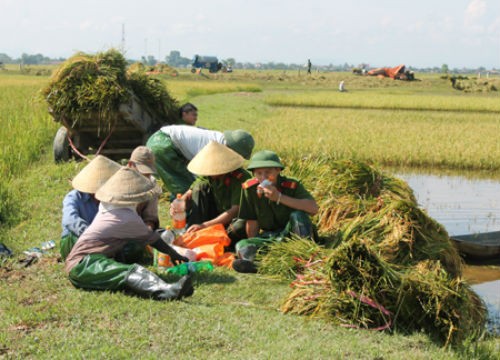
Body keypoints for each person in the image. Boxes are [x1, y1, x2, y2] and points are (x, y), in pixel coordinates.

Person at [65, 167, 193, 301]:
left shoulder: (107, 205)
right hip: (83, 265)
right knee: (129, 271)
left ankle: (167, 288)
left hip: (94, 259)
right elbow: (154, 240)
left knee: (127, 262)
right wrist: (175, 254)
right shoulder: (126, 217)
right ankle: (165, 291)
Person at [233, 150, 319, 273]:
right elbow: (252, 221)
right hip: (271, 237)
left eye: (268, 172)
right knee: (242, 245)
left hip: (295, 233)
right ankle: (257, 266)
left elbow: (313, 208)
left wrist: (279, 197)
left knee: (298, 215)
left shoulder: (291, 185)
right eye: (259, 173)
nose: (263, 177)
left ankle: (306, 257)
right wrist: (254, 242)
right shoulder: (250, 188)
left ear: (278, 170)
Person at [146, 125, 254, 198]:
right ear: (232, 149)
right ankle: (184, 219)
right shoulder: (213, 147)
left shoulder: (222, 143)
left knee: (184, 185)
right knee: (183, 187)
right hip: (163, 145)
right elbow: (203, 174)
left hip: (166, 141)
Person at [175, 141, 251, 244]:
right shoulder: (208, 175)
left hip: (232, 219)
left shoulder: (240, 178)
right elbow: (191, 190)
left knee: (240, 226)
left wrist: (205, 225)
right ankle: (193, 232)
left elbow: (234, 210)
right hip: (214, 213)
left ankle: (218, 239)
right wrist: (181, 202)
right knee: (199, 187)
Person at [60, 155, 121, 260]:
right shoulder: (74, 197)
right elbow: (69, 220)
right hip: (75, 238)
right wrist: (92, 234)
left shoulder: (110, 199)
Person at [127, 146, 160, 231]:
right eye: (142, 172)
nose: (146, 177)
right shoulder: (115, 183)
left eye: (148, 173)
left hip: (139, 230)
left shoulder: (152, 183)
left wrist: (149, 227)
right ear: (130, 165)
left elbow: (150, 217)